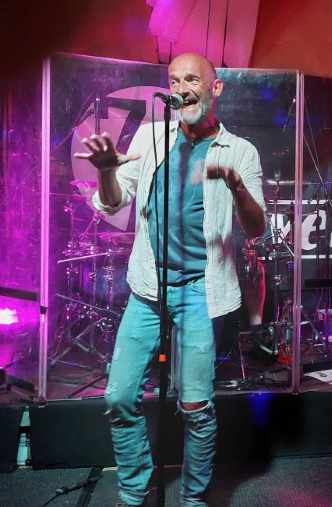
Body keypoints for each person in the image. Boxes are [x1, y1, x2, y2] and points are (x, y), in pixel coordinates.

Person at [74, 53, 266, 507]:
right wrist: (106, 170)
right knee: (119, 396)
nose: (181, 88)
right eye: (174, 80)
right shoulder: (150, 137)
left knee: (195, 406)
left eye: (192, 79)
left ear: (215, 88)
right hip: (148, 289)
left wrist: (236, 186)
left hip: (201, 291)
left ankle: (193, 499)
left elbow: (256, 227)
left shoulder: (239, 150)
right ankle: (134, 490)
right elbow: (113, 202)